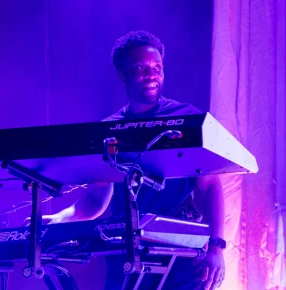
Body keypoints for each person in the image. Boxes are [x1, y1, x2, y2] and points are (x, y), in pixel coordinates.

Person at [41, 31, 226, 290]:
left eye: (157, 67)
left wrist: (217, 247)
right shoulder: (109, 130)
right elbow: (95, 200)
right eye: (140, 68)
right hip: (127, 251)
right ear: (122, 74)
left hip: (183, 253)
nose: (151, 74)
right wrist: (61, 218)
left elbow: (210, 186)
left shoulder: (187, 118)